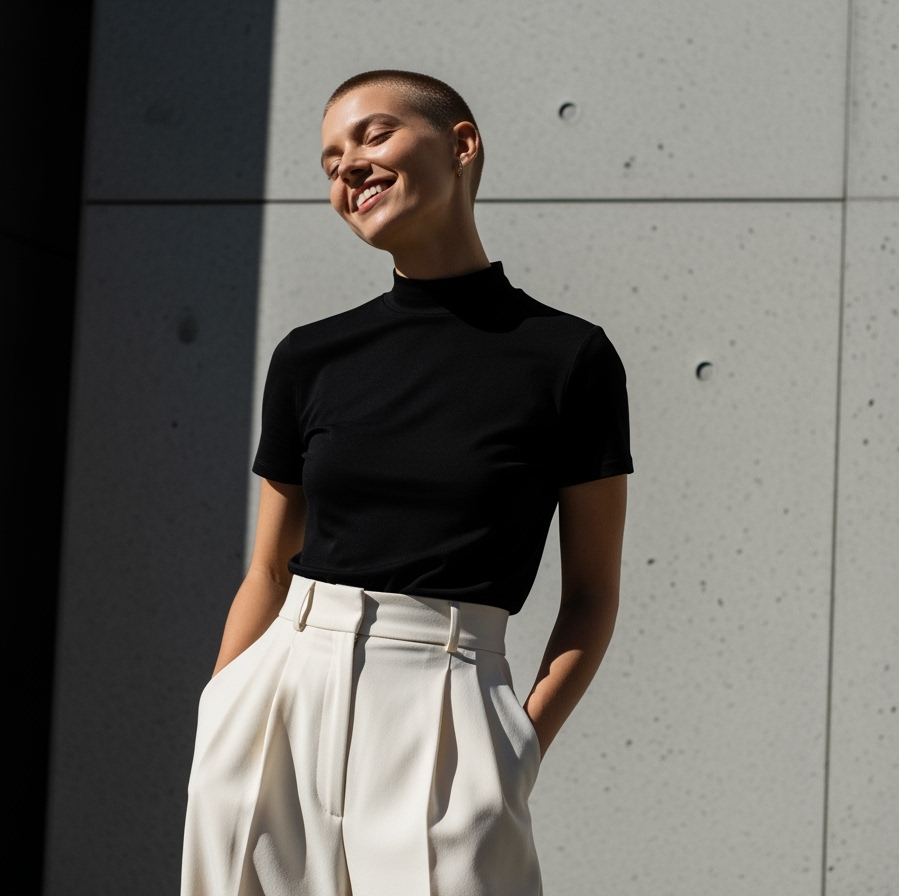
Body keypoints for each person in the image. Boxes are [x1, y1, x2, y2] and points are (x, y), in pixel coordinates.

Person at [180, 69, 632, 896]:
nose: (348, 165)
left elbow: (592, 594)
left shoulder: (570, 359)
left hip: (450, 702)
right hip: (280, 696)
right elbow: (268, 570)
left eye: (374, 135)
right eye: (328, 162)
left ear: (461, 145)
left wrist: (518, 746)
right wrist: (222, 710)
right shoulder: (310, 358)